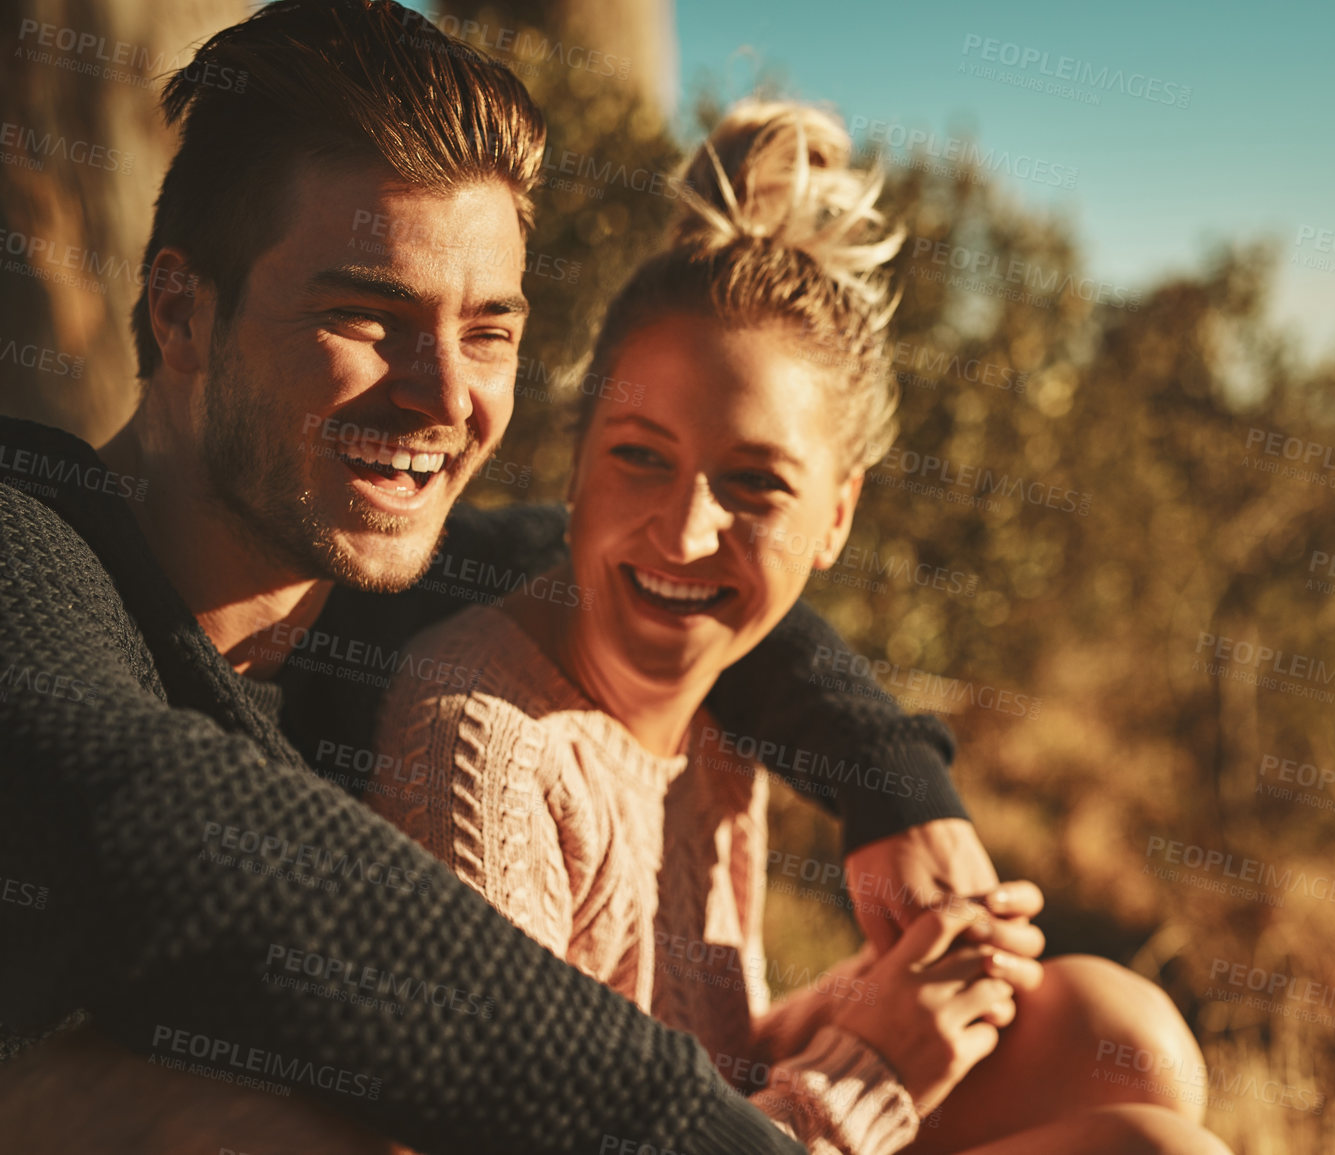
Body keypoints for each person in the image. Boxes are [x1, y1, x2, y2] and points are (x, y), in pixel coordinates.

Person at [0, 2, 1034, 1152]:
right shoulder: (28, 546)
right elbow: (143, 816)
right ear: (181, 312)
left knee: (1095, 1033)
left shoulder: (387, 568)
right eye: (365, 314)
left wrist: (892, 783)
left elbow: (665, 564)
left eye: (487, 330)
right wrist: (708, 1136)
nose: (445, 398)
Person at [368, 98, 1233, 1155]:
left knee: (1120, 1037)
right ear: (576, 453)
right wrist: (869, 1072)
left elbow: (697, 1055)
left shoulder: (723, 683)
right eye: (641, 455)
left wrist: (892, 999)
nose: (686, 534)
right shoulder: (484, 745)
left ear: (838, 516)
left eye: (754, 485)